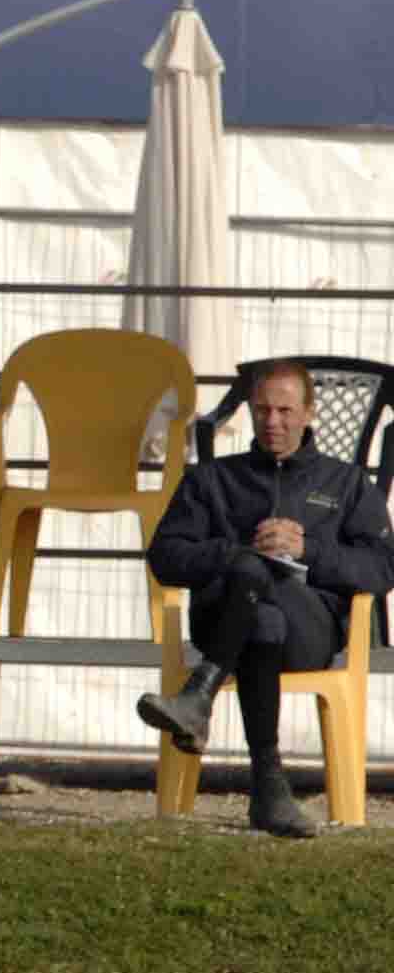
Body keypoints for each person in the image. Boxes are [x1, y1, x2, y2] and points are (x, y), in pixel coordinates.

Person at [139, 359, 394, 839]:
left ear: (309, 413)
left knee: (270, 615)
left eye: (285, 411)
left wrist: (307, 550)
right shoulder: (213, 479)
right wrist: (238, 554)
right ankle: (268, 794)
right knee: (259, 607)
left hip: (310, 629)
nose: (273, 422)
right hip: (222, 623)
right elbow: (165, 557)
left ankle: (201, 697)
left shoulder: (346, 483)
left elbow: (382, 567)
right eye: (262, 411)